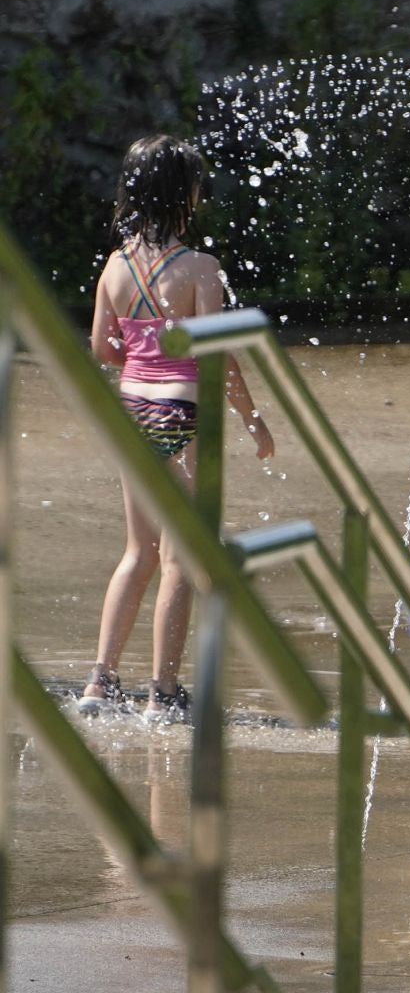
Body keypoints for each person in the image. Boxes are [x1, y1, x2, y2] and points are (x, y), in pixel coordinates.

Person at [78, 135, 275, 726]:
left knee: (138, 551)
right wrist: (252, 417)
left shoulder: (114, 266)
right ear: (185, 195)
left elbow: (101, 350)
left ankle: (99, 682)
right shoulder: (200, 269)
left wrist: (144, 358)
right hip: (181, 416)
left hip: (130, 411)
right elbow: (217, 357)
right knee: (182, 557)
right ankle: (163, 692)